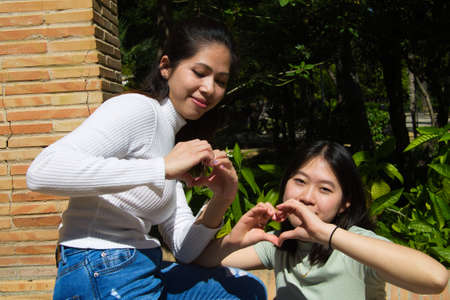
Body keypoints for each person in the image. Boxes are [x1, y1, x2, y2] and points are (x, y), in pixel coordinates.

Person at [26, 17, 266, 300]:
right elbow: (42, 171)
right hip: (101, 266)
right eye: (200, 72)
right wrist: (161, 168)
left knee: (246, 288)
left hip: (141, 265)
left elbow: (185, 250)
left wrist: (222, 198)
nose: (209, 88)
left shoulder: (172, 144)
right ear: (166, 67)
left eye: (220, 81)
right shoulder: (138, 110)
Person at [195, 140, 449, 299]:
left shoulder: (356, 247)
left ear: (345, 203)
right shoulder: (280, 244)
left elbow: (435, 279)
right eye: (300, 181)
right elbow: (199, 260)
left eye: (325, 189)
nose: (306, 197)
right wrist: (232, 228)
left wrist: (326, 234)